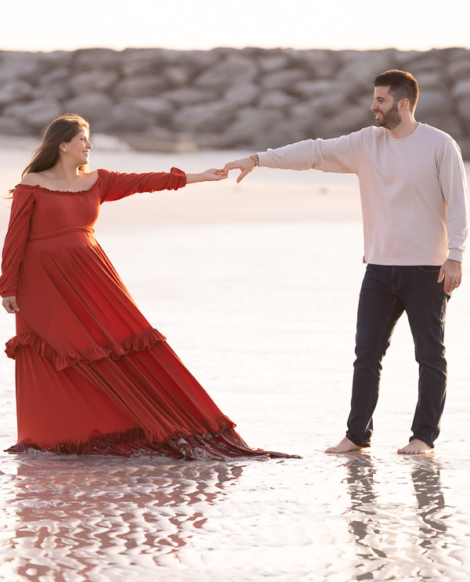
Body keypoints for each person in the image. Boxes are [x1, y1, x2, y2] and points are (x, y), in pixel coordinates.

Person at [0, 113, 297, 460]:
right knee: (55, 352)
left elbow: (144, 181)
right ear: (62, 144)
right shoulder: (32, 184)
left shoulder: (98, 181)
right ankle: (55, 435)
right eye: (83, 139)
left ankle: (149, 424)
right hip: (43, 283)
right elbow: (15, 237)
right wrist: (8, 286)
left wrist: (198, 177)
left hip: (91, 275)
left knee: (115, 344)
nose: (89, 146)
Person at [223, 70, 469, 455]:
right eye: (374, 99)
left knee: (430, 357)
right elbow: (315, 152)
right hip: (379, 268)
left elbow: (458, 203)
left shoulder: (439, 145)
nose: (373, 107)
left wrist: (455, 257)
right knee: (367, 354)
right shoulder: (366, 144)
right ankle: (357, 436)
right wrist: (259, 159)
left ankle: (423, 438)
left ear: (403, 104)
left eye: (381, 101)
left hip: (428, 268)